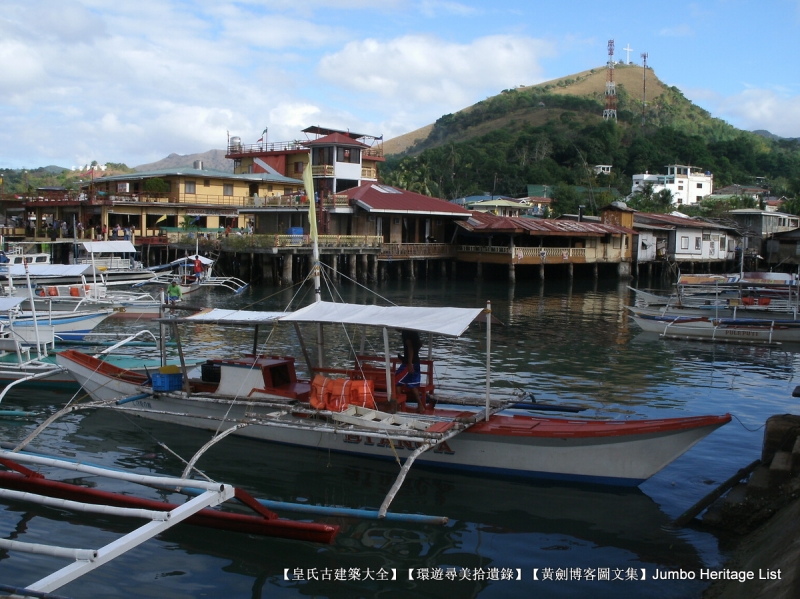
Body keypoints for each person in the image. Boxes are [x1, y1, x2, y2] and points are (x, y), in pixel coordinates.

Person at [396, 329, 424, 413]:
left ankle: (398, 405)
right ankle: (421, 406)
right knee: (412, 384)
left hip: (409, 364)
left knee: (396, 381)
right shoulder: (414, 334)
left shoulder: (406, 334)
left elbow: (410, 348)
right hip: (416, 362)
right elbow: (419, 345)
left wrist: (409, 362)